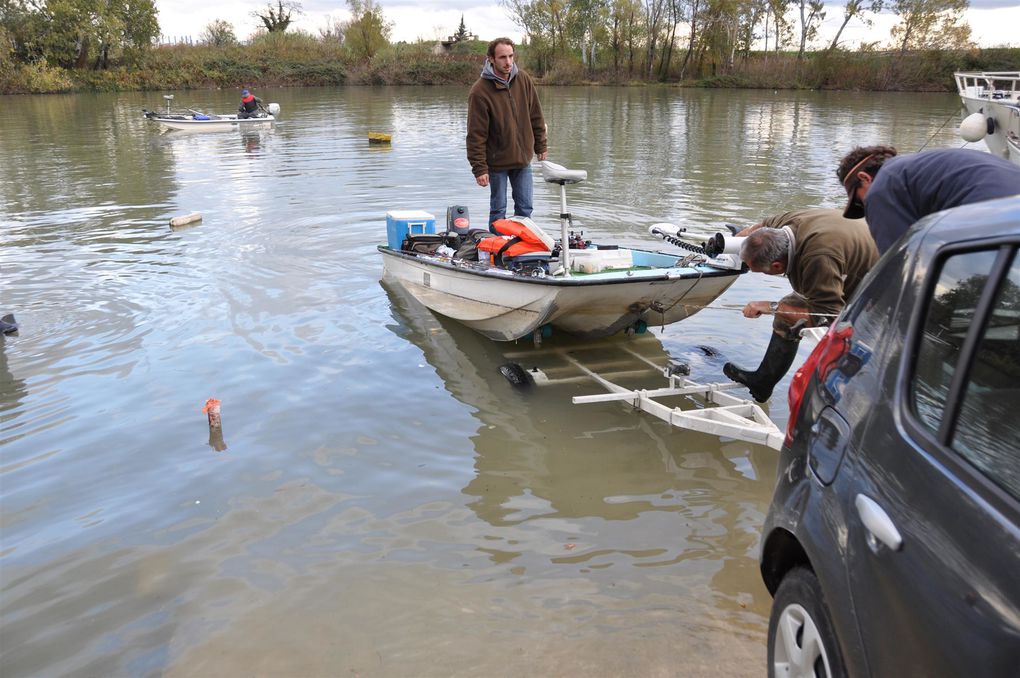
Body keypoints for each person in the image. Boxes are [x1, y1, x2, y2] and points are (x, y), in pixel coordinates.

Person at [723, 208, 878, 402]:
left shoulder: (817, 258)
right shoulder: (785, 223)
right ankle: (763, 382)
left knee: (787, 313)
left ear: (777, 267)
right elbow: (757, 229)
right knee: (789, 307)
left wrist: (770, 307)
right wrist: (735, 240)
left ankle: (838, 396)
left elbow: (828, 316)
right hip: (853, 252)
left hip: (879, 283)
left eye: (757, 270)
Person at [838, 146, 1020, 254]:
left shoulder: (881, 188)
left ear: (864, 178)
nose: (864, 206)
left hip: (999, 221)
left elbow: (899, 260)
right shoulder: (918, 166)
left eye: (857, 201)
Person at [466, 38, 548, 231]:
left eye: (511, 56)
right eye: (502, 57)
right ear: (491, 59)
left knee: (525, 209)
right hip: (496, 163)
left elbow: (536, 115)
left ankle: (521, 250)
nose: (508, 62)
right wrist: (480, 168)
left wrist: (540, 145)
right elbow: (475, 135)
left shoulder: (524, 80)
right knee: (498, 211)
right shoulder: (479, 91)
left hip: (522, 159)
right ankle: (496, 252)